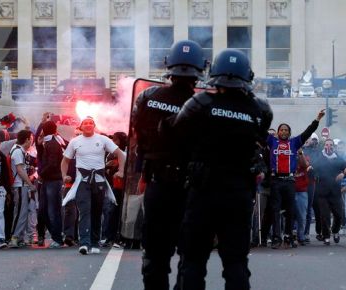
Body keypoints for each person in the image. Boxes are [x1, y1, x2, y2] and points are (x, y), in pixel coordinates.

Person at [172, 49, 273, 290]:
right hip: (238, 193)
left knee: (193, 261)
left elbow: (178, 135)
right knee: (236, 263)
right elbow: (258, 139)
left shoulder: (199, 103)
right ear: (247, 76)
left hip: (203, 192)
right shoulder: (260, 109)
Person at [131, 39, 206, 290]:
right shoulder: (204, 105)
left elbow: (139, 139)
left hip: (157, 185)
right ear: (200, 68)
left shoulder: (147, 98)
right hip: (192, 189)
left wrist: (142, 173)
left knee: (154, 254)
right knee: (190, 255)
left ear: (168, 66)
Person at [61, 116, 125, 255]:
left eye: (91, 123)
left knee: (97, 211)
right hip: (82, 181)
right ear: (81, 126)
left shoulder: (103, 139)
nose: (88, 125)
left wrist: (121, 171)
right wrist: (64, 175)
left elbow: (120, 154)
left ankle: (95, 243)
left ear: (94, 125)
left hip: (99, 180)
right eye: (86, 123)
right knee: (84, 211)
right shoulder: (75, 141)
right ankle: (84, 243)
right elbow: (65, 161)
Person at [267, 110, 325, 249]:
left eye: (286, 130)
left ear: (289, 132)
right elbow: (259, 129)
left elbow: (308, 131)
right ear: (278, 132)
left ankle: (288, 236)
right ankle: (276, 238)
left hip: (289, 181)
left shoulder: (294, 143)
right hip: (275, 180)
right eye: (281, 130)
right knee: (275, 210)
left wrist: (317, 119)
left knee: (290, 210)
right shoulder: (271, 141)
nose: (284, 132)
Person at [310, 139, 346, 245]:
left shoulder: (338, 159)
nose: (329, 146)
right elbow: (311, 169)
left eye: (331, 145)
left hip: (335, 192)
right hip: (322, 192)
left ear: (333, 147)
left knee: (338, 215)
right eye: (327, 145)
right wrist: (314, 174)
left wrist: (343, 174)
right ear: (324, 146)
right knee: (324, 215)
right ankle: (326, 236)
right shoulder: (319, 158)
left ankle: (335, 231)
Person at [37, 121, 65, 248]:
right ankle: (56, 236)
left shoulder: (52, 144)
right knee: (45, 210)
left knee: (52, 210)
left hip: (53, 180)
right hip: (49, 180)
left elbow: (52, 163)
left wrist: (41, 174)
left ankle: (57, 238)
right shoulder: (50, 143)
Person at [8, 130, 37, 248]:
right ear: (27, 139)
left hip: (21, 185)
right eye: (31, 138)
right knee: (20, 212)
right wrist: (30, 184)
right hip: (20, 186)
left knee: (22, 212)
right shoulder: (18, 151)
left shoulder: (17, 149)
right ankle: (14, 237)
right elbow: (20, 170)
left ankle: (19, 237)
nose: (31, 141)